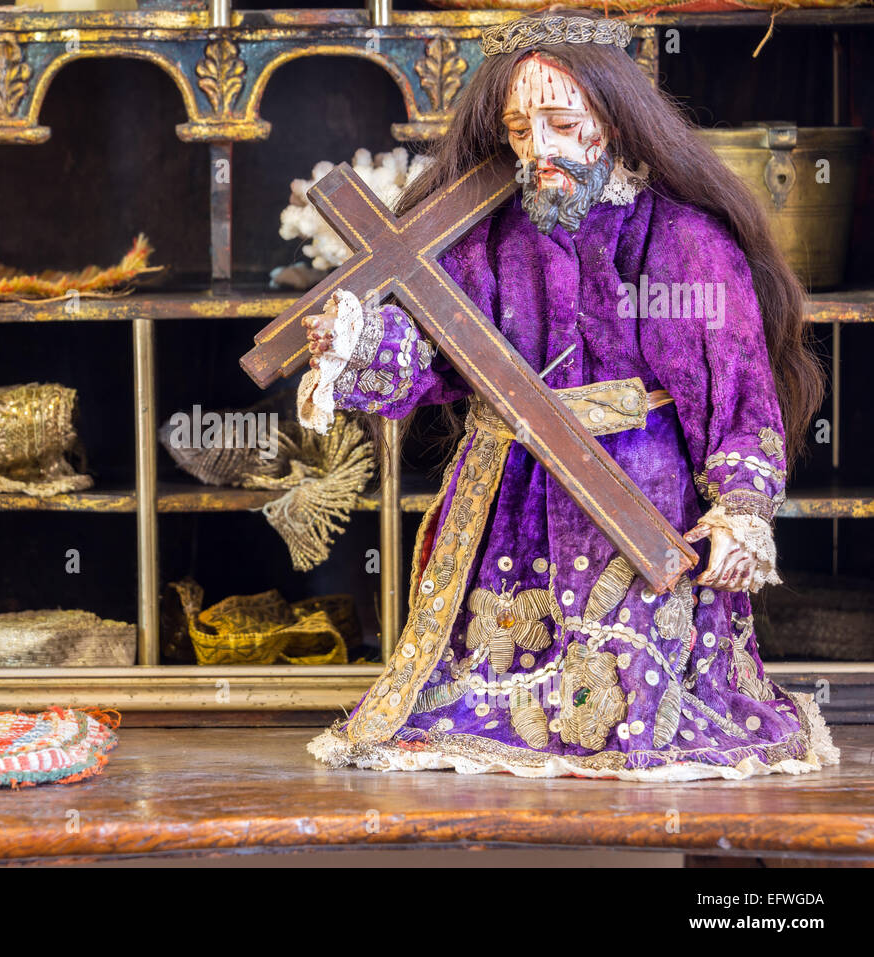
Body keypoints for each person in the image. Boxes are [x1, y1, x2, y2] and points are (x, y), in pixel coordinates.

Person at [296, 9, 837, 780]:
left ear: (612, 122)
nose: (539, 148)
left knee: (632, 685)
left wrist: (743, 507)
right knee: (488, 674)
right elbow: (440, 354)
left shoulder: (682, 241)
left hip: (635, 490)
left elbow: (735, 385)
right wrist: (358, 345)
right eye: (520, 129)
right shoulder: (492, 239)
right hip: (507, 487)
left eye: (560, 121)